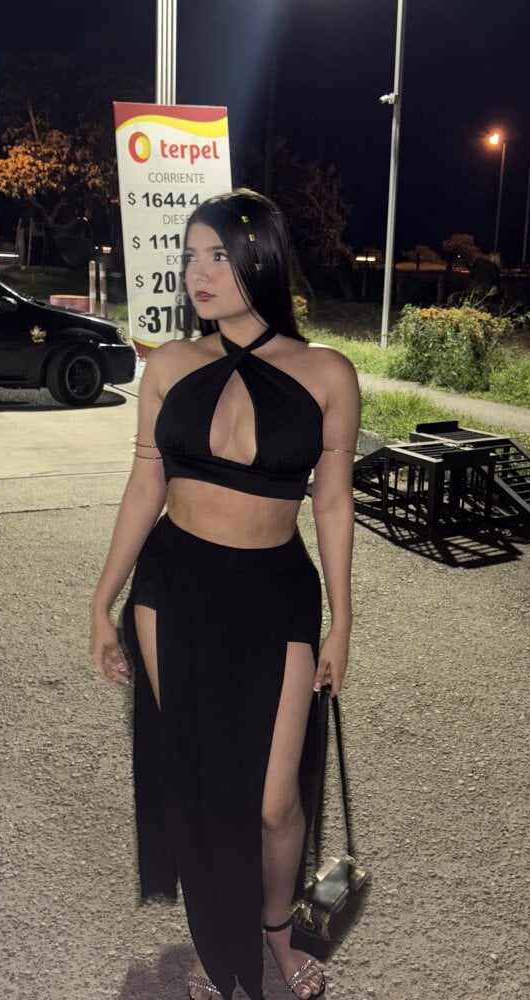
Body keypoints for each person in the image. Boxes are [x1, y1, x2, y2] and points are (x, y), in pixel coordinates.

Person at [89, 189, 360, 1000]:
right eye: (190, 257)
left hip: (275, 592)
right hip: (173, 589)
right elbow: (145, 487)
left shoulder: (326, 373)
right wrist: (101, 602)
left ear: (262, 261)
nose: (197, 274)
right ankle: (219, 951)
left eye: (218, 256)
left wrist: (343, 621)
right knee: (202, 782)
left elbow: (332, 502)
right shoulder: (170, 365)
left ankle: (275, 929)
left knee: (275, 801)